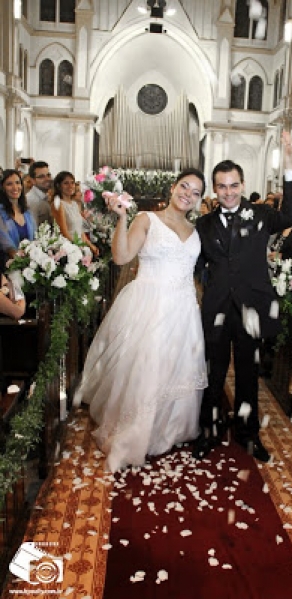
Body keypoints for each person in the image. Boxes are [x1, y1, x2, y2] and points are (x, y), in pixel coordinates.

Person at [73, 168, 208, 472]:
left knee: (177, 368)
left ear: (200, 199)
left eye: (195, 191)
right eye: (184, 186)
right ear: (173, 188)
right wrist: (122, 218)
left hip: (184, 309)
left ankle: (171, 428)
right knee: (147, 369)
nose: (187, 193)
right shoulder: (147, 218)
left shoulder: (197, 230)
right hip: (150, 305)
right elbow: (121, 257)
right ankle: (138, 432)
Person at [193, 132, 292, 462]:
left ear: (242, 184)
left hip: (251, 308)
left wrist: (289, 163)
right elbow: (195, 265)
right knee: (212, 374)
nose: (228, 192)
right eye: (222, 186)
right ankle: (208, 433)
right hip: (216, 309)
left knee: (248, 376)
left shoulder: (263, 215)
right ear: (215, 189)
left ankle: (247, 434)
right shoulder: (203, 224)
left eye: (234, 185)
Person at [51, 171, 99, 256]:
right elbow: (64, 232)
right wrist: (78, 247)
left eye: (72, 183)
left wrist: (90, 246)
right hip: (69, 248)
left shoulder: (74, 204)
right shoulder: (58, 204)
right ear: (59, 185)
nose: (70, 186)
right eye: (66, 183)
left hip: (80, 246)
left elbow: (80, 230)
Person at [0, 169, 36, 260]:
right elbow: (6, 244)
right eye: (9, 184)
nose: (15, 187)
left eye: (17, 183)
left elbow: (36, 237)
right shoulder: (1, 212)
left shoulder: (28, 211)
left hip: (31, 262)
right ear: (2, 188)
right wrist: (20, 259)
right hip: (8, 264)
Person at [26, 161, 53, 226]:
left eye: (48, 175)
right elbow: (33, 229)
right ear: (33, 180)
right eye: (41, 177)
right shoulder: (31, 200)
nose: (47, 179)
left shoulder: (46, 196)